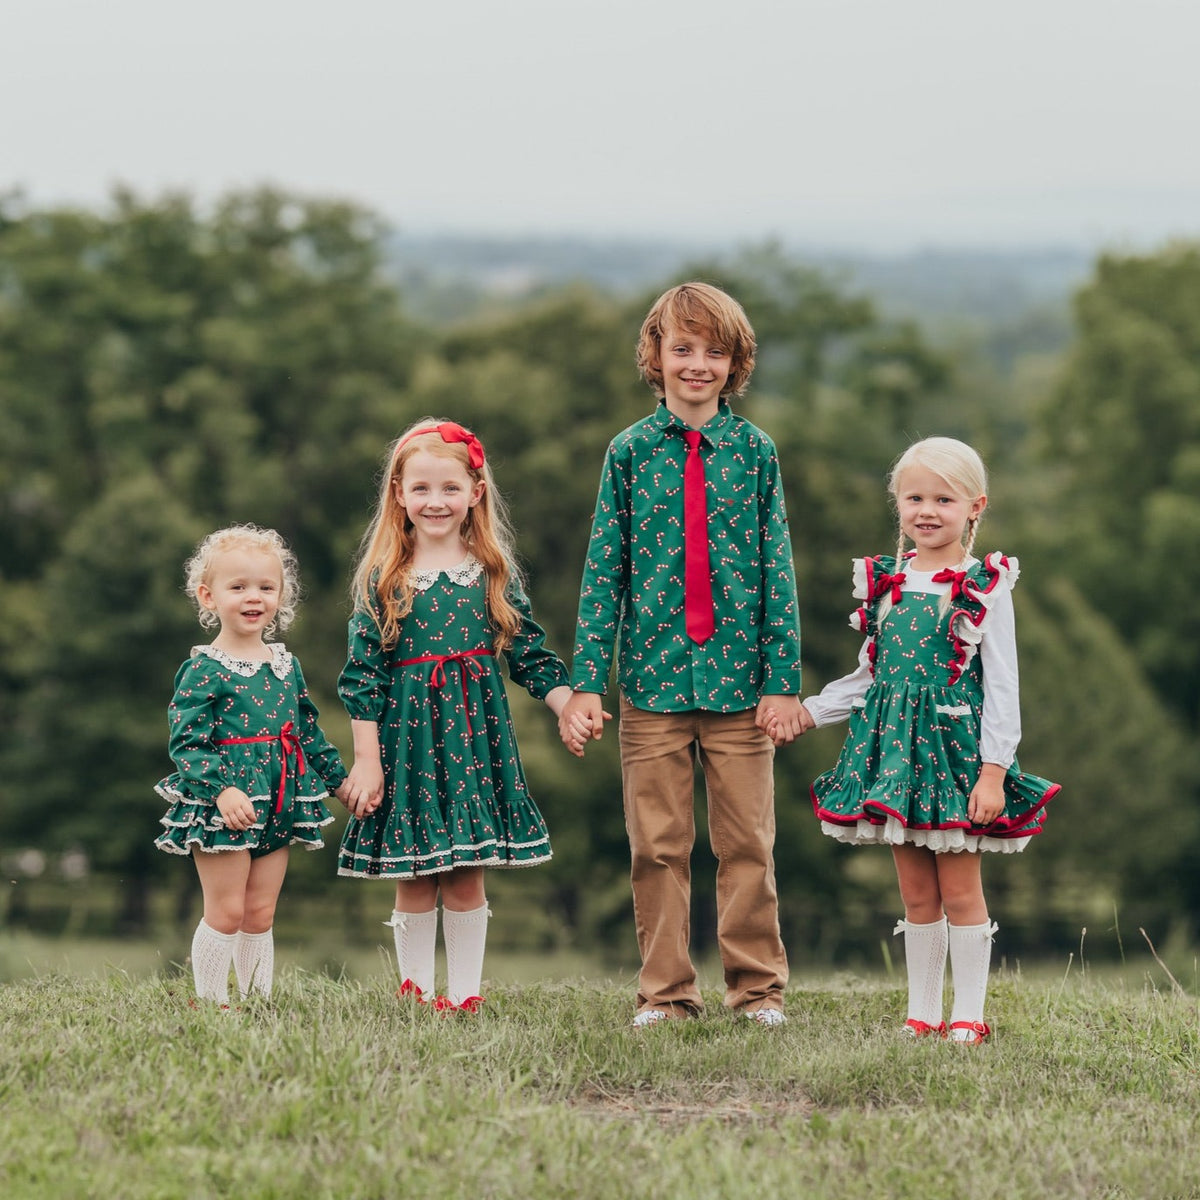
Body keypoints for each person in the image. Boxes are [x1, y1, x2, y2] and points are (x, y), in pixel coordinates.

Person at [559, 281, 805, 1029]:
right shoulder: (629, 453)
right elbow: (605, 571)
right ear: (656, 356)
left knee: (748, 846)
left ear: (736, 364)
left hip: (741, 688)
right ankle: (666, 995)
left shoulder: (754, 452)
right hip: (652, 685)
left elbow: (776, 570)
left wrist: (783, 681)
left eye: (715, 352)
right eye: (684, 348)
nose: (698, 364)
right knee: (657, 847)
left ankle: (757, 990)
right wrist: (585, 683)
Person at [795, 437, 1060, 1043]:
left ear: (975, 506)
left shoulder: (983, 586)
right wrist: (810, 712)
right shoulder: (886, 585)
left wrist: (994, 771)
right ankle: (922, 1013)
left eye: (944, 498)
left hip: (954, 758)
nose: (928, 510)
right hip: (892, 756)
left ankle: (968, 1014)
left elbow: (1003, 687)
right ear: (898, 504)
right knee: (916, 893)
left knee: (961, 891)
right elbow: (870, 676)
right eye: (915, 497)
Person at [338, 418, 575, 1013]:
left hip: (476, 739)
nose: (435, 501)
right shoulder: (383, 578)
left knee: (468, 871)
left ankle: (466, 995)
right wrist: (367, 762)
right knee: (416, 872)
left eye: (449, 488)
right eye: (420, 488)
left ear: (475, 492)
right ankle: (414, 993)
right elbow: (361, 679)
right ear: (398, 494)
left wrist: (565, 702)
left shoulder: (493, 572)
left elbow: (527, 653)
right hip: (408, 743)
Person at [155, 524, 349, 1005]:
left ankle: (257, 1002)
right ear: (208, 596)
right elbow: (187, 743)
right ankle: (212, 1004)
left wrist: (340, 782)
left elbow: (306, 731)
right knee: (226, 911)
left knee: (260, 912)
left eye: (266, 587)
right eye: (237, 586)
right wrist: (220, 789)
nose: (253, 597)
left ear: (281, 596)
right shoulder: (204, 667)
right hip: (226, 804)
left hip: (280, 798)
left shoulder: (287, 665)